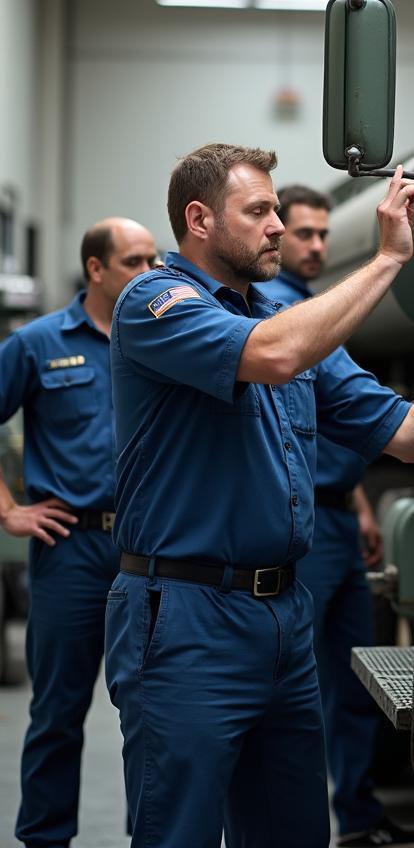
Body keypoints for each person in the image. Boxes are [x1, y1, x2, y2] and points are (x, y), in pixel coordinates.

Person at [105, 143, 414, 848]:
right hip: (188, 620)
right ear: (199, 219)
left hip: (282, 619)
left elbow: (407, 433)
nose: (278, 227)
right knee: (178, 832)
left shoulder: (291, 322)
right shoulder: (157, 304)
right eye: (258, 211)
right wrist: (386, 260)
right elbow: (273, 355)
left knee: (291, 833)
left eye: (278, 212)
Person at [258, 184, 414, 848]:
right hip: (302, 534)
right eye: (303, 233)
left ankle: (358, 816)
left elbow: (339, 427)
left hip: (338, 515)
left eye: (324, 236)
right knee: (295, 691)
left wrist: (359, 504)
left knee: (354, 677)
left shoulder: (318, 312)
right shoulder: (278, 313)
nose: (316, 246)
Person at [0, 218, 157, 848]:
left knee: (151, 716)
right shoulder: (37, 343)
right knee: (58, 715)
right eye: (134, 262)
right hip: (70, 549)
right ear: (96, 269)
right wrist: (9, 510)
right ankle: (44, 840)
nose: (149, 274)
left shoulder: (161, 337)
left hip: (150, 552)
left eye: (154, 260)